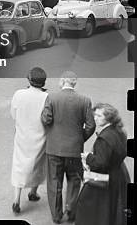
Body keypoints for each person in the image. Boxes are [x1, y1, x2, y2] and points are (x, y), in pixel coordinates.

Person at [41, 71, 96, 223]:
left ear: (62, 81)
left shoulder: (51, 97)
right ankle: (70, 211)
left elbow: (46, 119)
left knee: (54, 182)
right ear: (74, 83)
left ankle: (57, 216)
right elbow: (91, 125)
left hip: (54, 148)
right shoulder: (84, 100)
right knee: (74, 180)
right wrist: (80, 138)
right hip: (74, 149)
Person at [75, 103, 130, 225]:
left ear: (109, 118)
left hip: (105, 178)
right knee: (113, 209)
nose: (95, 118)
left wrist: (88, 157)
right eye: (95, 115)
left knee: (92, 210)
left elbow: (100, 163)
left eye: (99, 116)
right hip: (118, 174)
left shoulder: (104, 138)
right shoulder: (119, 132)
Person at [10, 67, 48, 215]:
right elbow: (48, 118)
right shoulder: (46, 97)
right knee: (38, 164)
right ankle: (33, 192)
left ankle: (16, 200)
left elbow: (14, 114)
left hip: (22, 135)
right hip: (40, 135)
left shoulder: (19, 94)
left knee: (19, 165)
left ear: (29, 80)